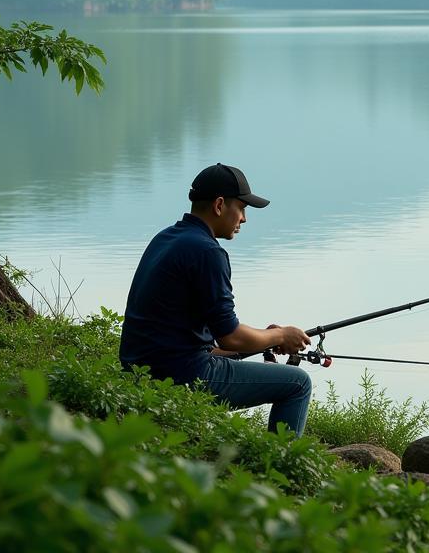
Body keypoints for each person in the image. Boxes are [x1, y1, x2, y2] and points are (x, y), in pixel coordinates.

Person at [119, 162, 313, 435]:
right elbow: (230, 338)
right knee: (298, 384)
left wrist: (263, 340)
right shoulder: (208, 252)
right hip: (180, 376)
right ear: (220, 205)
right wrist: (281, 336)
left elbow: (200, 337)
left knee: (237, 357)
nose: (244, 218)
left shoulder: (166, 238)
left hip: (142, 370)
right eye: (242, 208)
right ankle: (281, 468)